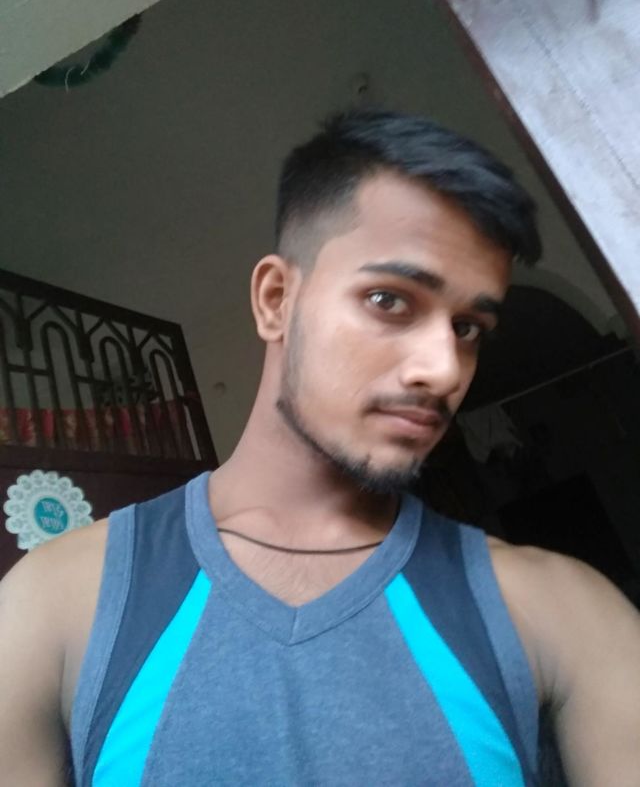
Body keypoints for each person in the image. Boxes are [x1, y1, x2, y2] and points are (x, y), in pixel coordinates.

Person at [1, 110, 639, 787]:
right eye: (390, 300)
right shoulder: (55, 604)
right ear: (276, 299)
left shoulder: (563, 612)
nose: (443, 369)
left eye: (468, 328)